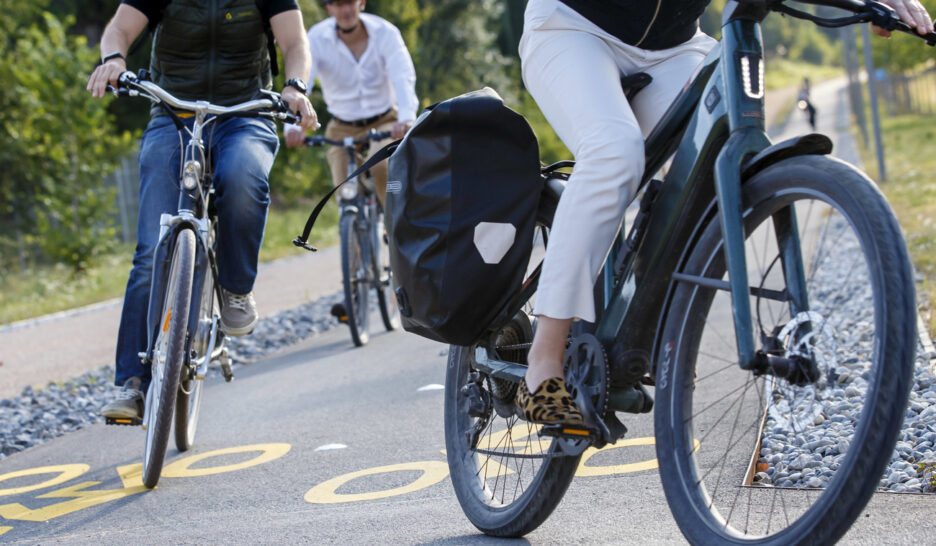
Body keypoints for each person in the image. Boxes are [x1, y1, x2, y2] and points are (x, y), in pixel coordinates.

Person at [514, 0, 935, 426]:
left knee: (711, 161)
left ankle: (653, 324)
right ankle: (544, 361)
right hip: (573, 28)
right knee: (614, 152)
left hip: (674, 49)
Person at [87, 0, 318, 419]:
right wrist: (114, 60)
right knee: (151, 251)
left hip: (244, 113)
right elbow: (119, 30)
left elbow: (294, 42)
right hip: (173, 113)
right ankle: (133, 383)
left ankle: (235, 288)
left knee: (243, 177)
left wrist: (295, 86)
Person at [283, 0, 418, 207]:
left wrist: (406, 119)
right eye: (338, 4)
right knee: (343, 186)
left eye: (350, 2)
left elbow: (403, 78)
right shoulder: (317, 38)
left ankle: (394, 220)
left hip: (385, 122)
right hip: (342, 127)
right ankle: (352, 221)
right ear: (329, 9)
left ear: (361, 3)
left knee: (382, 166)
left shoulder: (385, 33)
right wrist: (292, 126)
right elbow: (303, 83)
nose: (345, 10)